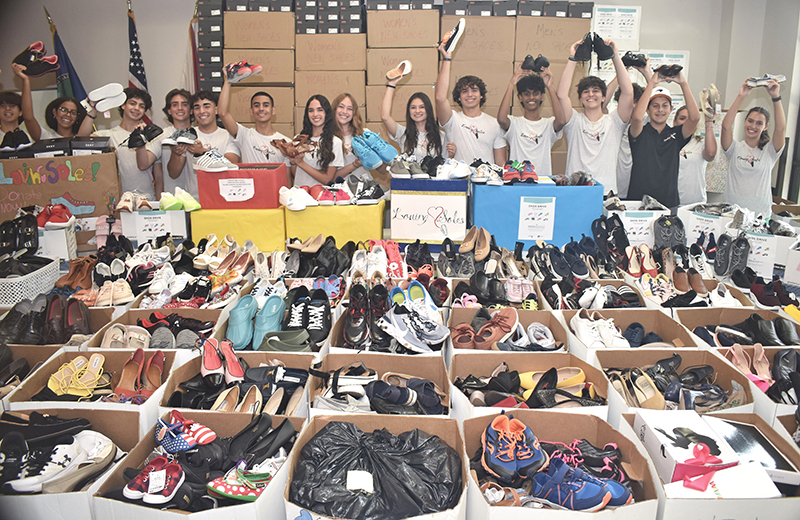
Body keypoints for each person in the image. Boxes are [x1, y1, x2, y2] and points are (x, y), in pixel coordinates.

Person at [557, 36, 633, 194]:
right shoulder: (574, 121)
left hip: (606, 194)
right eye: (586, 91)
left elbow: (627, 92)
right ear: (580, 98)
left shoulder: (614, 122)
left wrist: (615, 55)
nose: (591, 94)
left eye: (596, 91)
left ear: (604, 97)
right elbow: (562, 95)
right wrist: (573, 57)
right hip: (575, 192)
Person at [627, 68, 700, 208]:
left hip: (668, 203)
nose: (660, 110)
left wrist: (683, 83)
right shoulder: (640, 133)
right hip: (639, 202)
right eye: (655, 106)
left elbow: (695, 117)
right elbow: (636, 117)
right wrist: (652, 82)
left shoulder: (676, 135)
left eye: (665, 106)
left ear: (671, 109)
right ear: (647, 110)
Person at [80, 87, 161, 199]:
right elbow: (81, 141)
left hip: (146, 200)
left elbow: (147, 168)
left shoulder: (152, 136)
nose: (137, 108)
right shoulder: (109, 135)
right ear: (123, 105)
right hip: (119, 201)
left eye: (142, 106)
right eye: (132, 103)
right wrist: (94, 109)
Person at [721, 77, 786, 216]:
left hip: (760, 215)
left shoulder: (770, 151)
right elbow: (726, 126)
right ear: (745, 122)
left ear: (765, 127)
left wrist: (776, 98)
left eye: (759, 123)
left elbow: (780, 129)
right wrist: (741, 96)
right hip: (732, 214)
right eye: (750, 121)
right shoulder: (734, 148)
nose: (753, 126)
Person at [435, 42, 507, 165]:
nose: (469, 95)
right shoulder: (452, 120)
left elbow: (500, 163)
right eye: (464, 91)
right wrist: (446, 59)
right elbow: (440, 98)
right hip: (458, 182)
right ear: (458, 98)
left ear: (481, 95)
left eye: (474, 90)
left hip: (484, 182)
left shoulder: (495, 124)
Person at [166, 90, 240, 199]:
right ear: (192, 112)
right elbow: (173, 174)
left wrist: (202, 152)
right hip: (195, 200)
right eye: (197, 107)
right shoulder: (186, 135)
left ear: (216, 110)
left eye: (206, 106)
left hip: (223, 198)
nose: (201, 111)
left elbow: (229, 166)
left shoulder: (229, 135)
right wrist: (176, 154)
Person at [497, 64, 565, 174]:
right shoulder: (514, 123)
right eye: (527, 94)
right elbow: (501, 119)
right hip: (518, 181)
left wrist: (550, 86)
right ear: (520, 97)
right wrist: (512, 83)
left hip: (543, 183)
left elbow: (561, 121)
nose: (531, 97)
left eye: (536, 93)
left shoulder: (548, 124)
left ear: (542, 96)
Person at [218, 75, 290, 170]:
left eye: (265, 105)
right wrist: (227, 81)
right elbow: (222, 113)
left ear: (273, 110)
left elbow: (287, 177)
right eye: (257, 105)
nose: (261, 109)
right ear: (251, 111)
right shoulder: (244, 135)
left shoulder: (286, 142)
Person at [134, 88, 193, 196]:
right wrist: (140, 143)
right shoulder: (162, 136)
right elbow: (143, 164)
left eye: (184, 104)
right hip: (173, 201)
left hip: (199, 200)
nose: (180, 108)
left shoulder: (200, 134)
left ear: (191, 110)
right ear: (169, 111)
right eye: (175, 105)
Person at [12, 63, 86, 140]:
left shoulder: (83, 138)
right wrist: (25, 80)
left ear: (77, 117)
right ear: (54, 112)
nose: (68, 115)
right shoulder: (45, 137)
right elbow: (28, 117)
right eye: (63, 110)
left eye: (73, 112)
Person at [381, 76, 448, 159]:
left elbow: (446, 162)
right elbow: (385, 117)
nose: (417, 111)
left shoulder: (441, 136)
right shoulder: (402, 133)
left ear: (428, 109)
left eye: (421, 107)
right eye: (413, 107)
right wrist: (391, 84)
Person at [291, 95, 344, 187]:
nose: (315, 114)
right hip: (299, 196)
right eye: (311, 110)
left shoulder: (335, 142)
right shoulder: (298, 139)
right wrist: (293, 162)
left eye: (320, 110)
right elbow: (296, 174)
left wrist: (301, 163)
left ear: (326, 113)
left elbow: (327, 179)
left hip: (322, 197)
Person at [676, 101, 717, 205]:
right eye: (682, 118)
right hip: (672, 202)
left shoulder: (701, 142)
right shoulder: (668, 142)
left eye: (690, 119)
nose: (687, 122)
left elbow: (710, 155)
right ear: (675, 122)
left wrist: (709, 122)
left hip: (696, 203)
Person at [331, 92, 371, 182]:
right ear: (334, 109)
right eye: (341, 106)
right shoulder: (328, 139)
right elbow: (330, 178)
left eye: (350, 109)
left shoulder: (365, 134)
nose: (344, 112)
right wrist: (355, 165)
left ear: (354, 113)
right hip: (340, 192)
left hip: (365, 189)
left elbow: (381, 169)